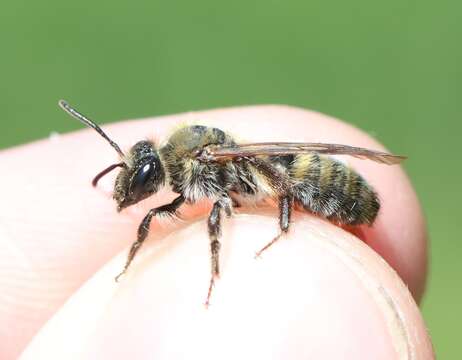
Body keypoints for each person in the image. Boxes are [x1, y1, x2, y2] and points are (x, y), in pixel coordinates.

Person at [0, 105, 433, 359]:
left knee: (226, 205)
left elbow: (224, 201)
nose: (136, 189)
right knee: (164, 218)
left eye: (141, 179)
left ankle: (225, 266)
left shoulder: (206, 163)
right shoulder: (184, 177)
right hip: (285, 181)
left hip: (311, 181)